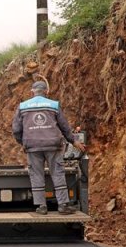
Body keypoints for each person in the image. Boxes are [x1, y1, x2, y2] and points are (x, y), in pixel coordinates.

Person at [12, 80, 86, 215]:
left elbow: (16, 129)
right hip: (53, 145)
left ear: (32, 92)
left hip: (32, 146)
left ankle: (41, 206)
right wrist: (74, 141)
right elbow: (64, 127)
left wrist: (23, 142)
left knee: (36, 174)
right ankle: (63, 205)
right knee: (58, 173)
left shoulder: (22, 106)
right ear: (46, 92)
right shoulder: (53, 105)